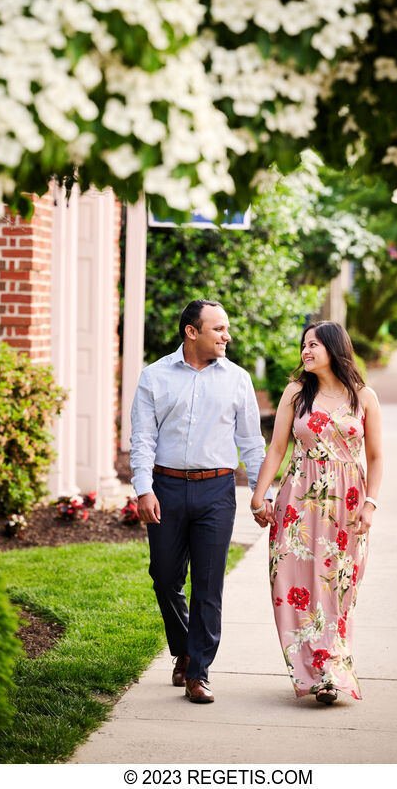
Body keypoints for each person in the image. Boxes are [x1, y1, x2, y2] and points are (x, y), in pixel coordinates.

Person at [130, 299, 273, 704]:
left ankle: (198, 673)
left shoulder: (237, 379)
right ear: (192, 332)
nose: (227, 336)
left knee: (208, 586)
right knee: (165, 577)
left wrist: (259, 495)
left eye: (226, 328)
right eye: (218, 329)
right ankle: (185, 647)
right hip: (167, 487)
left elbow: (251, 443)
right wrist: (144, 488)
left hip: (217, 491)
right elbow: (142, 438)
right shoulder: (154, 377)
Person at [250, 321, 382, 705]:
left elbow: (375, 457)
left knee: (338, 589)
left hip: (348, 505)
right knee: (294, 589)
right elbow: (276, 449)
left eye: (314, 345)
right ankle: (312, 674)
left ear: (334, 349)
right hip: (298, 502)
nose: (306, 351)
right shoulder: (295, 393)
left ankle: (334, 671)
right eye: (304, 345)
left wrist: (371, 504)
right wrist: (260, 497)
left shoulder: (364, 397)